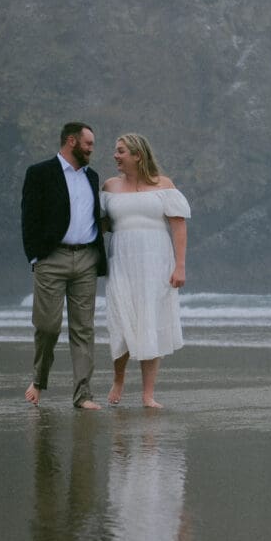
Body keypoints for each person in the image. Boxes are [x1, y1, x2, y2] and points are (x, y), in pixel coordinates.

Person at [21, 122, 108, 409]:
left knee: (84, 329)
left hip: (86, 259)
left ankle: (83, 394)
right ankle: (39, 379)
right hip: (52, 258)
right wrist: (36, 257)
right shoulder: (40, 173)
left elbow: (96, 216)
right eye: (88, 144)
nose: (92, 149)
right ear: (71, 141)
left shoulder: (92, 177)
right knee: (47, 326)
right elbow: (29, 217)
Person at [101, 133, 190, 408]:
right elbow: (99, 225)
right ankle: (118, 379)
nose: (115, 156)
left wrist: (180, 266)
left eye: (121, 151)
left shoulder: (164, 185)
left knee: (150, 321)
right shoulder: (110, 186)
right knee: (121, 320)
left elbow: (178, 226)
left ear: (138, 155)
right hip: (122, 261)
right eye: (116, 151)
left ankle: (148, 394)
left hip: (156, 262)